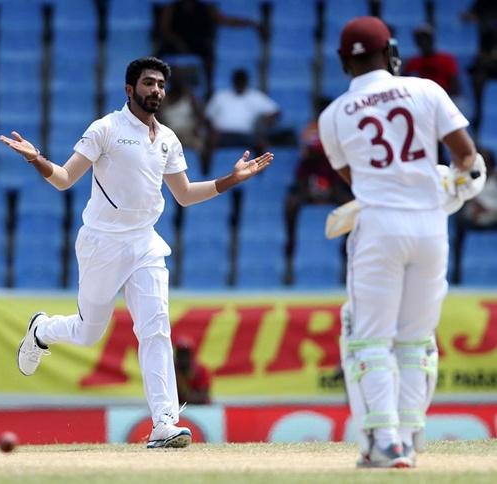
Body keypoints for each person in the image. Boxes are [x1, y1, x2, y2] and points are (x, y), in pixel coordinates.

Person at [0, 57, 272, 449]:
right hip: (102, 243)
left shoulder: (168, 140)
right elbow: (64, 179)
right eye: (148, 83)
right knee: (88, 332)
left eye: (161, 84)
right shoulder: (106, 128)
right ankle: (42, 330)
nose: (156, 90)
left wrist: (231, 179)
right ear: (130, 89)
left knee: (156, 328)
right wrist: (36, 158)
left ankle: (165, 423)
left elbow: (184, 194)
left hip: (145, 243)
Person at [318, 17, 486, 468]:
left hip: (377, 226)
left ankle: (385, 443)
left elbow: (357, 181)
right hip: (431, 225)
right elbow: (466, 156)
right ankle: (410, 439)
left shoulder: (333, 115)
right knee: (415, 340)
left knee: (369, 340)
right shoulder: (426, 90)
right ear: (391, 52)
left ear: (342, 60)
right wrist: (456, 186)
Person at [283, 97, 353, 285]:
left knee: (352, 207)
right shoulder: (310, 128)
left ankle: (347, 254)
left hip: (334, 181)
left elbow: (341, 156)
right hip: (310, 181)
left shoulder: (340, 127)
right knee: (290, 204)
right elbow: (307, 153)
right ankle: (289, 248)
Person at [156, 0, 264, 95]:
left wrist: (250, 22)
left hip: (197, 46)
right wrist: (178, 43)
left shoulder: (206, 8)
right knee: (157, 58)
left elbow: (225, 20)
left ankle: (209, 89)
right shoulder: (171, 8)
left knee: (209, 55)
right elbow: (164, 30)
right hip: (174, 44)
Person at [204, 69, 279, 169]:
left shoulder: (255, 96)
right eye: (237, 81)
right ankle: (206, 171)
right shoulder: (221, 96)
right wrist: (212, 130)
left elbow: (275, 111)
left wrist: (265, 122)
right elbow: (207, 116)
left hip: (247, 135)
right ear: (233, 81)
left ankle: (259, 173)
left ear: (246, 81)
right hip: (223, 134)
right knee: (208, 141)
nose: (240, 83)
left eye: (242, 81)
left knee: (261, 143)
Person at [452, 147, 497, 283]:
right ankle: (456, 273)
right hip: (472, 217)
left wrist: (488, 210)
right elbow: (462, 197)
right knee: (458, 221)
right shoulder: (469, 178)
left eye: (486, 163)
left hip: (493, 216)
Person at [461, 0, 497, 132]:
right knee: (478, 75)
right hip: (488, 62)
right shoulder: (483, 4)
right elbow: (467, 17)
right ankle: (478, 111)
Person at [403, 24, 460, 97]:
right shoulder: (411, 63)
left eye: (426, 38)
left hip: (445, 98)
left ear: (432, 39)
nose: (423, 41)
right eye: (420, 39)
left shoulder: (447, 59)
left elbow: (455, 86)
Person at [156, 72, 204, 153]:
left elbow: (200, 116)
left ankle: (202, 166)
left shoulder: (190, 97)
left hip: (188, 133)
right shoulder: (162, 99)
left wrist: (196, 129)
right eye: (176, 82)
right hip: (170, 134)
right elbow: (157, 120)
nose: (178, 84)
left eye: (180, 82)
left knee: (200, 146)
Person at [174, 335, 211, 405]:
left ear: (191, 354)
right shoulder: (171, 372)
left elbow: (203, 397)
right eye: (180, 353)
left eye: (185, 353)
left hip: (199, 410)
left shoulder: (201, 371)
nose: (182, 357)